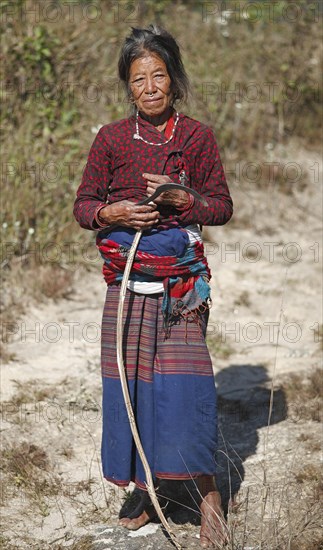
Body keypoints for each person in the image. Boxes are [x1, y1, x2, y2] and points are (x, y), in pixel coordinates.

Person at [73, 25, 233, 548]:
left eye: (158, 75)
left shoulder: (197, 137)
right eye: (138, 78)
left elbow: (222, 207)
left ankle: (210, 501)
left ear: (174, 79)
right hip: (126, 284)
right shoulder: (111, 140)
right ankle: (145, 489)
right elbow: (83, 206)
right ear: (127, 85)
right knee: (132, 389)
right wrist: (111, 211)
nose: (149, 87)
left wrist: (183, 199)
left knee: (186, 392)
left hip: (181, 289)